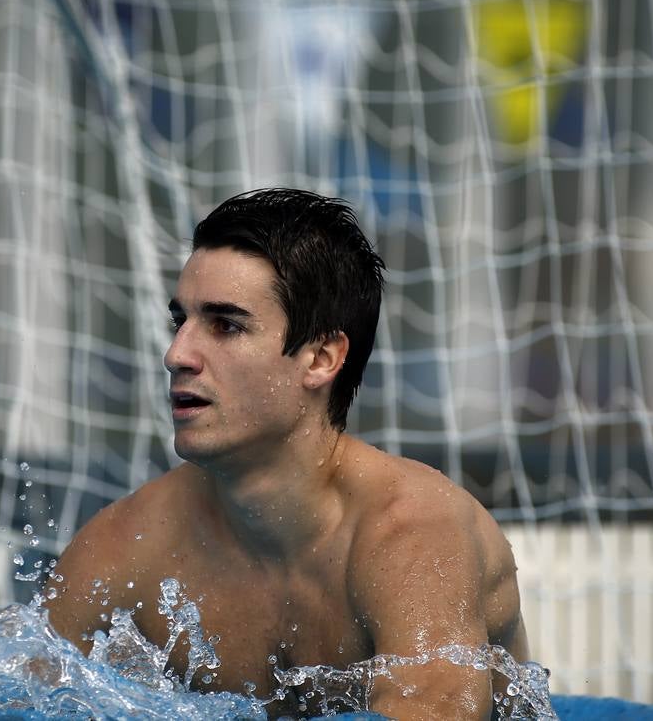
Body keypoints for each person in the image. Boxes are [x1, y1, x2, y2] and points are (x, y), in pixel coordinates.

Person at [44, 188, 530, 720]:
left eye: (226, 325)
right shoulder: (129, 546)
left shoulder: (412, 538)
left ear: (320, 358)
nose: (176, 354)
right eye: (180, 321)